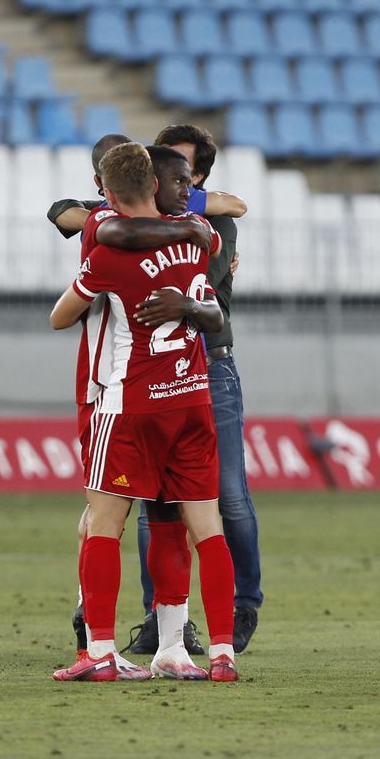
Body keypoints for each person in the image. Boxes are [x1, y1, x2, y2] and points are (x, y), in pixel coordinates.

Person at [47, 133, 247, 658]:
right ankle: (190, 647)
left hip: (115, 392)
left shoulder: (110, 243)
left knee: (103, 521)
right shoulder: (199, 233)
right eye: (179, 183)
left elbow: (63, 311)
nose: (188, 192)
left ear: (106, 187)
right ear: (155, 185)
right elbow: (99, 219)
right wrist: (188, 224)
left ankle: (101, 642)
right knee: (190, 520)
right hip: (186, 393)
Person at [151, 123, 263, 655]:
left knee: (230, 495)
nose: (162, 169)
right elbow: (63, 211)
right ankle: (164, 617)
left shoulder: (216, 219)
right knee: (155, 499)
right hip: (154, 370)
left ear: (195, 177)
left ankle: (245, 604)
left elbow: (201, 288)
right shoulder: (133, 216)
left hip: (211, 364)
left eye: (176, 164)